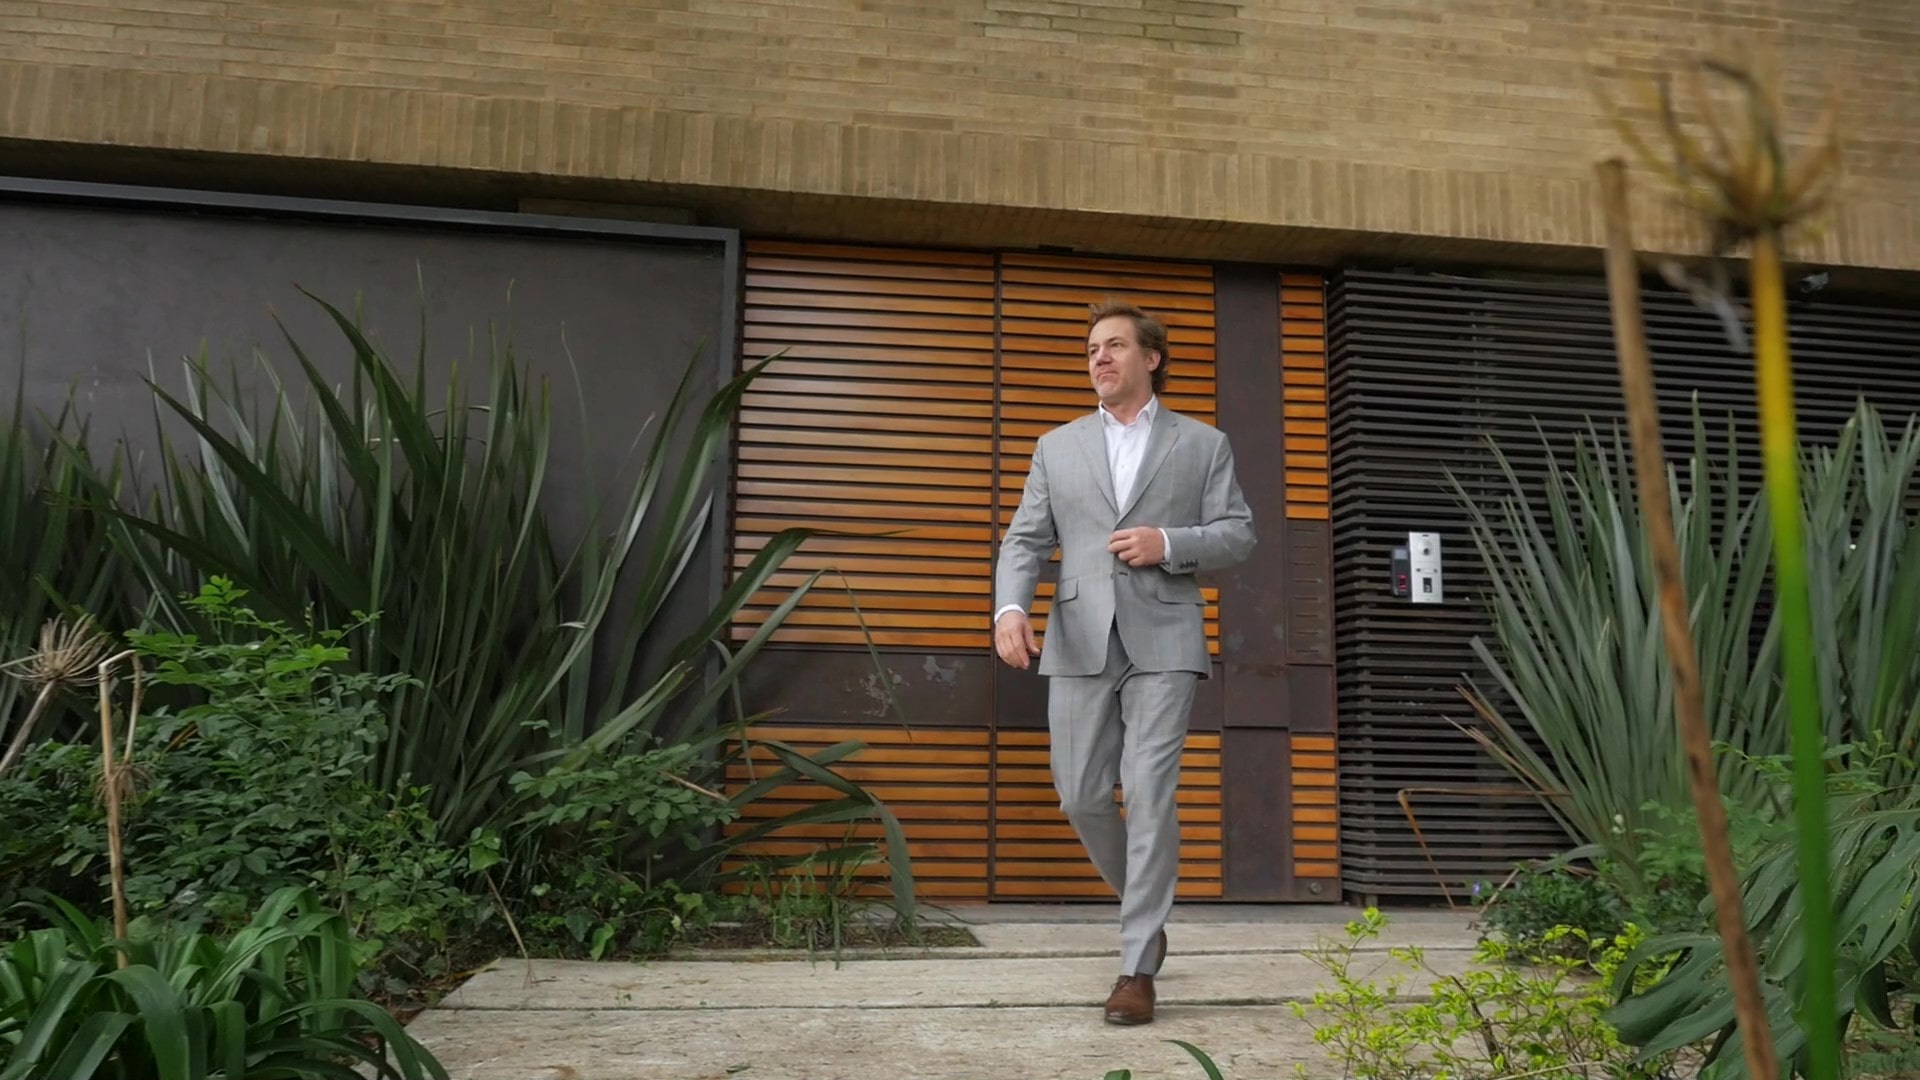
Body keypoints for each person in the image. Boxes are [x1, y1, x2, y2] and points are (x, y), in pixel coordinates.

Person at [992, 299, 1255, 1025]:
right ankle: (1149, 911)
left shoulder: (1203, 443)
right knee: (1080, 794)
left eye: (1113, 346)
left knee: (1147, 791)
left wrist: (1168, 543)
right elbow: (1025, 540)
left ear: (1151, 357)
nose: (1099, 359)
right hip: (1078, 635)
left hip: (1165, 636)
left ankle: (1136, 965)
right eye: (1091, 350)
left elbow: (1237, 534)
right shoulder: (1057, 446)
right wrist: (1009, 609)